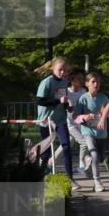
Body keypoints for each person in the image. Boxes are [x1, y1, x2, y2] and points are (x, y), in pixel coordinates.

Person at [35, 57, 78, 190]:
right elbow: (40, 101)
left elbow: (62, 100)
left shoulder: (65, 82)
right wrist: (58, 102)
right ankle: (40, 177)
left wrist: (67, 107)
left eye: (65, 70)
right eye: (60, 69)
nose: (63, 72)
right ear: (53, 68)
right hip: (46, 120)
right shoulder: (46, 82)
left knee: (66, 147)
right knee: (46, 153)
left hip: (60, 120)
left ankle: (70, 179)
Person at [73, 72, 109, 193]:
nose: (96, 84)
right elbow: (75, 117)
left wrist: (105, 112)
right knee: (94, 154)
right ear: (87, 84)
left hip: (101, 133)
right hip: (88, 131)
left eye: (98, 82)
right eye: (93, 82)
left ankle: (88, 164)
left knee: (100, 158)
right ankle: (97, 181)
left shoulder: (104, 97)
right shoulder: (83, 98)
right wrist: (84, 117)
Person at [65, 69, 89, 177]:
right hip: (69, 124)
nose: (81, 80)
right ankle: (81, 166)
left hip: (80, 123)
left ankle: (51, 162)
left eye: (82, 78)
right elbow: (63, 106)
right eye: (78, 78)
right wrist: (70, 108)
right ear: (71, 79)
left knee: (67, 145)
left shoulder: (83, 91)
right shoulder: (67, 92)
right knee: (84, 143)